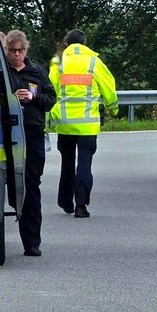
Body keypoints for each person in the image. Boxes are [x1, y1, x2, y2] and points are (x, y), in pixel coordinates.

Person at [49, 29, 118, 219]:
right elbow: (109, 88)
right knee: (85, 164)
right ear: (85, 44)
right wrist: (113, 108)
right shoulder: (94, 62)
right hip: (88, 126)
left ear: (66, 44)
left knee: (67, 163)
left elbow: (50, 89)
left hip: (64, 124)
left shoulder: (58, 63)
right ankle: (81, 206)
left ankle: (65, 202)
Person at [3, 30, 57, 257]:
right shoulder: (0, 72)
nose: (17, 55)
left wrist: (33, 98)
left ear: (26, 50)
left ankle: (32, 242)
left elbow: (50, 99)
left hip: (32, 134)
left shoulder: (37, 72)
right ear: (6, 50)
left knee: (31, 185)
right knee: (12, 186)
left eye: (21, 50)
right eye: (13, 51)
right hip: (7, 133)